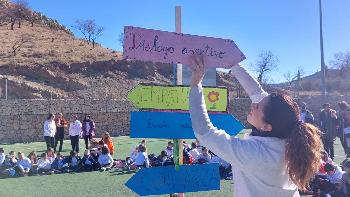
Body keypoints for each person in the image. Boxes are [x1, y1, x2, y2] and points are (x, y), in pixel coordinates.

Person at [189, 56, 323, 196]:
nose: (253, 104)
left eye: (258, 106)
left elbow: (204, 132)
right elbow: (256, 92)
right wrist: (233, 63)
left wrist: (195, 85)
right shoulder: (289, 142)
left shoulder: (253, 153)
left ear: (266, 127)